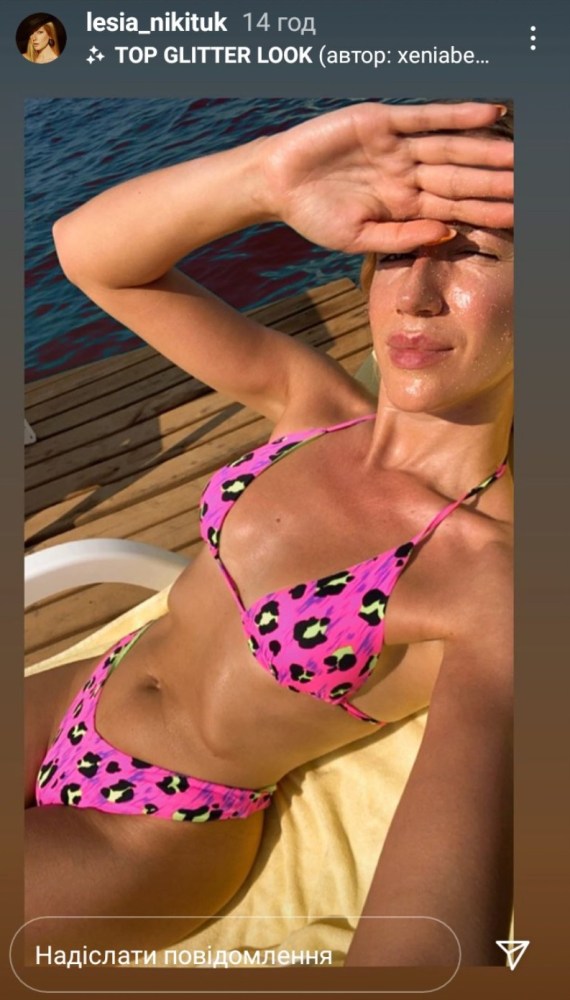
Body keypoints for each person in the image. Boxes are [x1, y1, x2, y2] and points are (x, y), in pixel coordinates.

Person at [25, 101, 513, 965]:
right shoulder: (312, 404)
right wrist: (268, 176)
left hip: (150, 824)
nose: (415, 297)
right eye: (395, 254)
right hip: (76, 691)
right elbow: (89, 253)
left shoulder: (491, 578)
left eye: (473, 254)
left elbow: (422, 947)